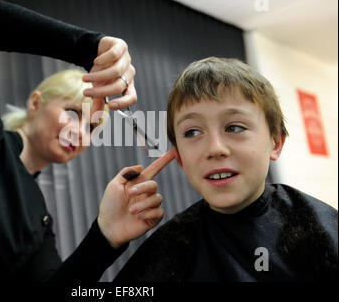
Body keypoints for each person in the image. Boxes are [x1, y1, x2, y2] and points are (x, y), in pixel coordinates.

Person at [0, 0, 175, 281]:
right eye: (73, 113)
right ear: (36, 103)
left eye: (91, 128)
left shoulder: (38, 218)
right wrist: (91, 47)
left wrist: (106, 236)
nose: (79, 132)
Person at [115, 57, 338, 281]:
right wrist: (105, 236)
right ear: (179, 157)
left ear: (275, 143)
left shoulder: (318, 230)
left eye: (234, 127)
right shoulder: (171, 247)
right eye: (192, 132)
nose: (214, 149)